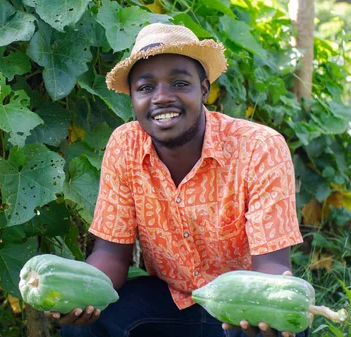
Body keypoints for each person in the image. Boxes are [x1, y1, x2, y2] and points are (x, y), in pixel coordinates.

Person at [48, 23, 308, 337]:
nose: (161, 97)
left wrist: (269, 303)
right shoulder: (125, 146)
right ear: (132, 98)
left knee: (278, 328)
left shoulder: (259, 147)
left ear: (204, 89)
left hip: (241, 307)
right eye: (145, 88)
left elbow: (271, 266)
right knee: (86, 327)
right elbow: (111, 256)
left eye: (179, 83)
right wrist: (81, 293)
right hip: (167, 300)